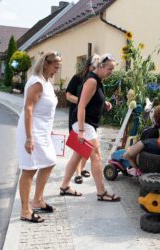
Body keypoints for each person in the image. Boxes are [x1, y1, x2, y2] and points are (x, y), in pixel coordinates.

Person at [60, 53, 121, 202]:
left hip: (87, 123)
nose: (111, 72)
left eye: (112, 69)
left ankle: (64, 186)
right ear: (100, 66)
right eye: (109, 69)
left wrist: (103, 103)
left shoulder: (97, 80)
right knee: (96, 156)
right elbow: (81, 105)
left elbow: (91, 100)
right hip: (84, 123)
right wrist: (81, 130)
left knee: (78, 155)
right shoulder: (92, 81)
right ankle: (101, 192)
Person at [16, 51, 61, 223]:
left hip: (43, 131)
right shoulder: (37, 83)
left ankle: (37, 200)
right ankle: (25, 210)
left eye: (58, 67)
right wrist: (29, 138)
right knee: (29, 169)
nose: (57, 70)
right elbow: (28, 110)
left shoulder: (46, 81)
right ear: (46, 64)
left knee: (49, 161)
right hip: (32, 131)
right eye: (55, 67)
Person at [66, 54, 100, 184]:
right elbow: (68, 95)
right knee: (80, 145)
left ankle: (82, 168)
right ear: (89, 65)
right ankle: (78, 173)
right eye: (94, 66)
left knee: (89, 145)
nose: (96, 69)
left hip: (91, 117)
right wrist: (81, 101)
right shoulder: (78, 78)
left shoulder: (96, 80)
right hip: (78, 114)